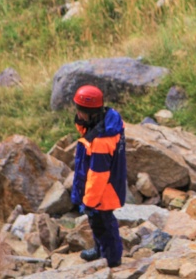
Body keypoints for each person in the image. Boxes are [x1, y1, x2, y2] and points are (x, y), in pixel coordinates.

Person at [71, 84, 127, 267]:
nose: (78, 115)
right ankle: (99, 250)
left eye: (81, 112)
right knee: (96, 222)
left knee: (105, 224)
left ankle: (112, 261)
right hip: (104, 188)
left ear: (91, 113)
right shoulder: (104, 124)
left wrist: (89, 201)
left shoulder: (102, 141)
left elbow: (98, 175)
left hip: (104, 191)